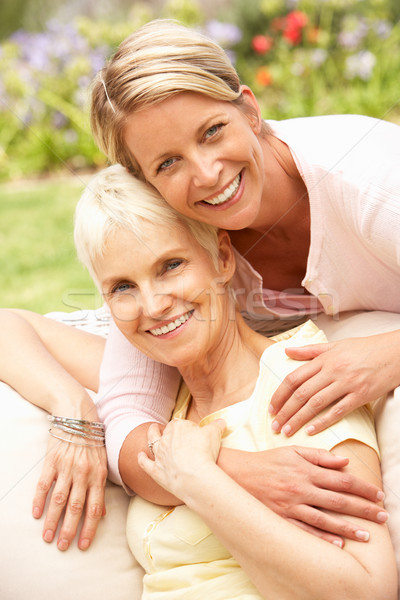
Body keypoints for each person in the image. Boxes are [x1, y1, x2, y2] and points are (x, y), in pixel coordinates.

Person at [87, 17, 400, 525]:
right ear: (144, 181)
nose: (207, 173)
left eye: (213, 132)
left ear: (250, 110)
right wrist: (236, 472)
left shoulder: (367, 176)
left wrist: (388, 354)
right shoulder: (179, 242)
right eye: (167, 163)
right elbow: (127, 419)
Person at [0, 166, 387, 554]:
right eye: (122, 287)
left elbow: (365, 586)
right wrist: (75, 406)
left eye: (171, 266)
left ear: (221, 258)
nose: (152, 306)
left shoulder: (299, 384)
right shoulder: (159, 382)